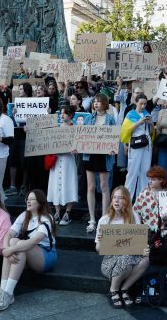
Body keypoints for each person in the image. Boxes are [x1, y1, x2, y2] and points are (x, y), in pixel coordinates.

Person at [0, 189, 56, 312]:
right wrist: (6, 248)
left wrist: (11, 249)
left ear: (40, 202)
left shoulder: (46, 218)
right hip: (27, 251)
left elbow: (35, 240)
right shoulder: (24, 215)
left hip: (46, 256)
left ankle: (8, 293)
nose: (28, 201)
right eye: (27, 199)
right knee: (13, 241)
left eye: (32, 199)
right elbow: (8, 234)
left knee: (20, 244)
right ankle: (3, 290)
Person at [96, 186, 150, 309]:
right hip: (110, 261)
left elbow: (139, 242)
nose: (116, 201)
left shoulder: (134, 216)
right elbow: (98, 250)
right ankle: (113, 290)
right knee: (126, 257)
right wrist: (101, 242)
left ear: (126, 201)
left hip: (131, 256)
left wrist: (145, 249)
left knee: (145, 260)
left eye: (121, 198)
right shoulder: (104, 220)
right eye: (114, 197)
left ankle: (124, 289)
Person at [132, 166, 167, 265]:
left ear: (161, 180)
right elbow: (136, 211)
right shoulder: (144, 192)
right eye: (149, 179)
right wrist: (139, 226)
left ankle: (154, 261)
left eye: (153, 179)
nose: (150, 181)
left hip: (165, 229)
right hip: (147, 229)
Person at [85, 93, 117, 233]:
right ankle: (92, 219)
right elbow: (82, 136)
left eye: (98, 101)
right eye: (94, 102)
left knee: (104, 187)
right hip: (90, 155)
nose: (96, 104)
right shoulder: (88, 118)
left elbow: (114, 138)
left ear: (104, 103)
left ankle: (104, 219)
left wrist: (113, 148)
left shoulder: (110, 119)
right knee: (91, 187)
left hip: (104, 157)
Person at [47, 106, 79, 225]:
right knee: (55, 184)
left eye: (64, 113)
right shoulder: (56, 128)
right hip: (57, 159)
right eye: (61, 113)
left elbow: (79, 145)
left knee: (69, 183)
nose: (62, 115)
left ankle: (67, 213)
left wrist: (75, 149)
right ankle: (56, 212)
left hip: (68, 160)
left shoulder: (75, 128)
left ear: (70, 115)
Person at [121, 95, 154, 200]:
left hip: (146, 145)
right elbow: (125, 131)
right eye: (141, 103)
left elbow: (152, 132)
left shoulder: (147, 114)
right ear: (136, 103)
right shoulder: (130, 114)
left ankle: (142, 200)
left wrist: (151, 124)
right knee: (132, 172)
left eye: (145, 104)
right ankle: (127, 200)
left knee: (145, 172)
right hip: (135, 144)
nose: (143, 106)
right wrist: (139, 122)